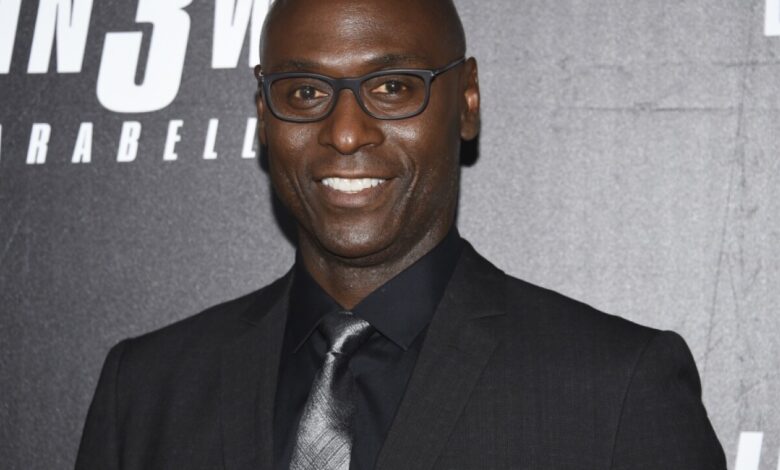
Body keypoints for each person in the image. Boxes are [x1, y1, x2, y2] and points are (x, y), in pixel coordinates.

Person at [76, 0, 727, 468]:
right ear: (264, 114)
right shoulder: (146, 390)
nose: (345, 132)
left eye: (392, 87)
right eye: (304, 92)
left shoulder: (615, 390)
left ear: (466, 101)